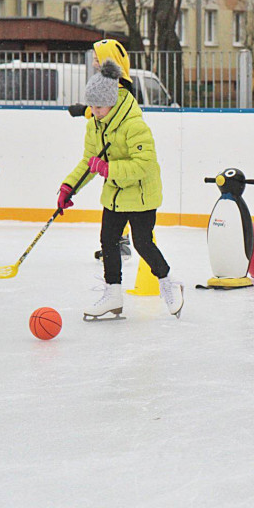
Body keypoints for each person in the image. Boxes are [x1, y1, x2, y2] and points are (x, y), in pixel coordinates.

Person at [58, 58, 183, 320]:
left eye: (99, 106)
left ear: (113, 101)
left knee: (142, 243)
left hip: (141, 196)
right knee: (108, 240)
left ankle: (168, 282)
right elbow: (89, 161)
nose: (95, 110)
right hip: (114, 195)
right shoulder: (95, 124)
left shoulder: (134, 124)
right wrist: (69, 186)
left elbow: (143, 165)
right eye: (91, 105)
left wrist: (108, 170)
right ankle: (113, 294)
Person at [69, 39, 135, 262]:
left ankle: (121, 244)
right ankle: (118, 242)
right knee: (115, 200)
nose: (94, 62)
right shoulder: (110, 82)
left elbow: (109, 111)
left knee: (121, 200)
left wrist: (84, 111)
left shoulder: (118, 86)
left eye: (98, 58)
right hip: (112, 155)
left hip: (121, 157)